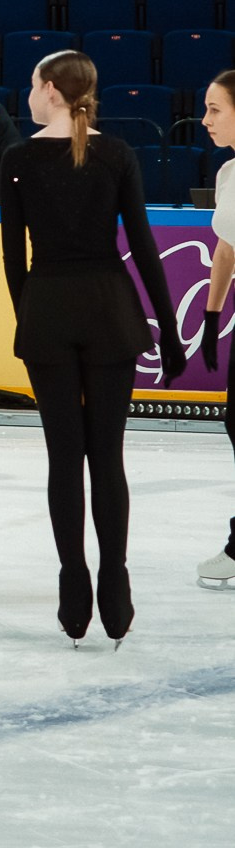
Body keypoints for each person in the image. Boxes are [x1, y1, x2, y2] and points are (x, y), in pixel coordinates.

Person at [0, 52, 184, 646]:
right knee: (107, 455)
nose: (27, 95)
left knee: (64, 456)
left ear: (51, 91)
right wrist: (172, 330)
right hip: (109, 308)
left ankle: (73, 577)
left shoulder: (20, 158)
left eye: (32, 85)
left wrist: (30, 314)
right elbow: (144, 246)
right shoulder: (117, 154)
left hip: (49, 306)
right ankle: (116, 578)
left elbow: (11, 258)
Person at [198, 71, 235, 589]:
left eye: (214, 109)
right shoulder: (229, 173)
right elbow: (227, 248)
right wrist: (211, 316)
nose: (204, 120)